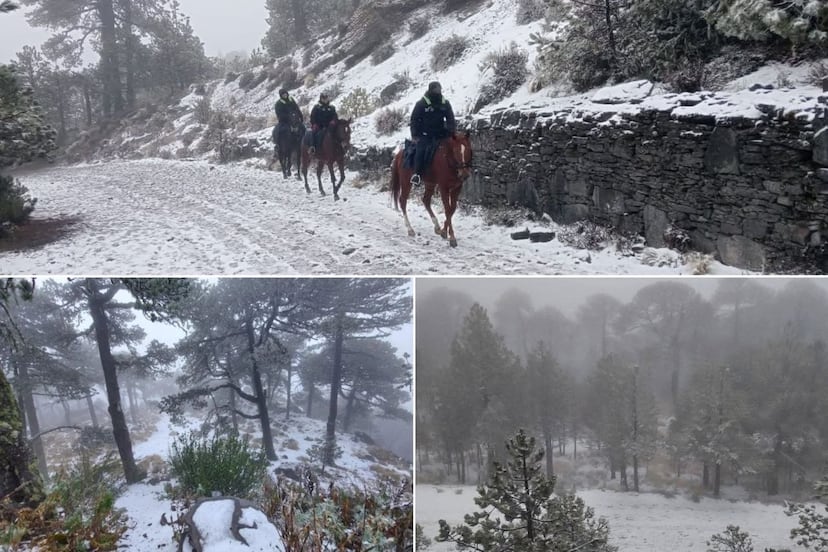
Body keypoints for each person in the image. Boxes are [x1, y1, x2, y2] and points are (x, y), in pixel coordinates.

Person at [408, 81, 456, 186]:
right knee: (421, 151)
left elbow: (450, 118)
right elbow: (414, 120)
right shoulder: (421, 104)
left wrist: (451, 131)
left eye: (439, 89)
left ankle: (456, 173)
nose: (438, 92)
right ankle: (417, 175)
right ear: (430, 90)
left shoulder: (445, 103)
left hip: (441, 134)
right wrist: (415, 135)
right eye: (435, 90)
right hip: (425, 135)